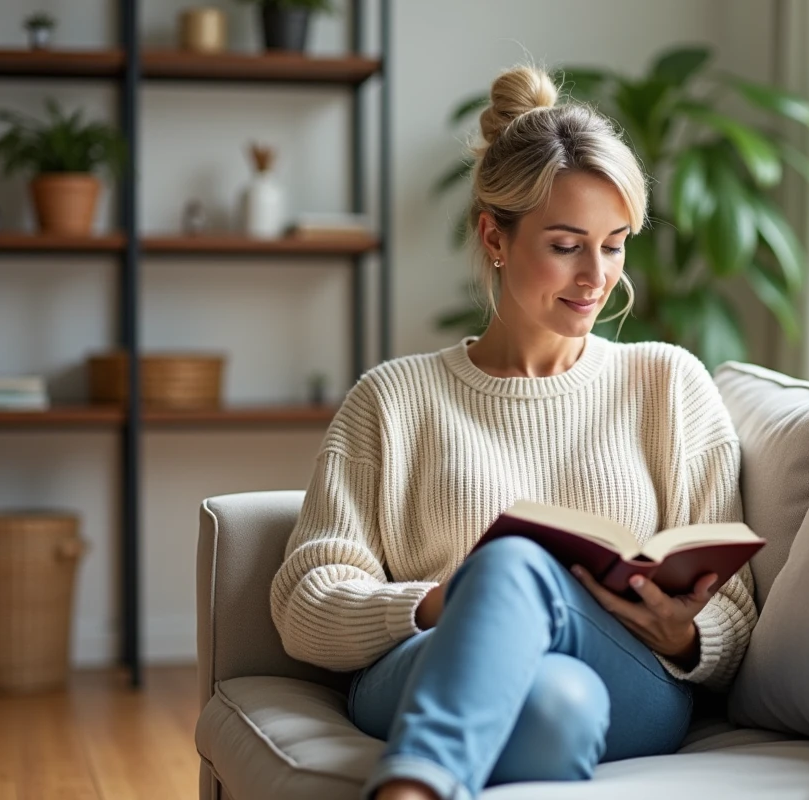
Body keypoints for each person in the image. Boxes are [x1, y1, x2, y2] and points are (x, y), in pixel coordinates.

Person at [270, 65, 757, 800]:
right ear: (494, 238)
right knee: (550, 692)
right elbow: (306, 603)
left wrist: (683, 634)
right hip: (426, 662)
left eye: (615, 243)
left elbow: (736, 611)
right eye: (567, 245)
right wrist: (449, 600)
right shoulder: (395, 399)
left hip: (630, 676)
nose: (597, 275)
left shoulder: (668, 384)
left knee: (536, 613)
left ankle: (412, 785)